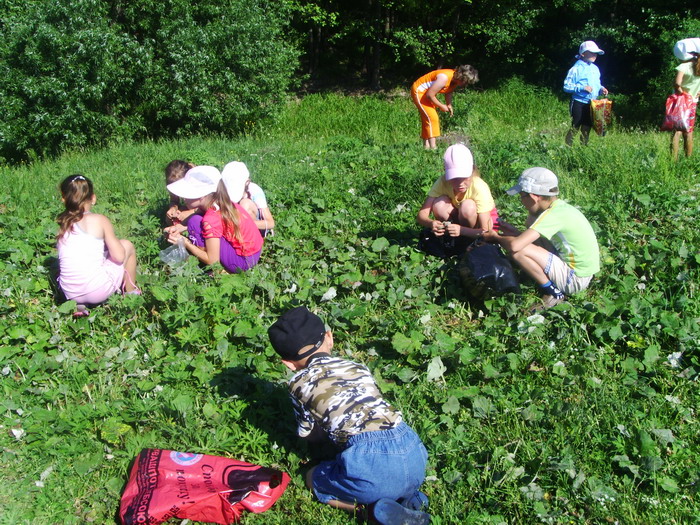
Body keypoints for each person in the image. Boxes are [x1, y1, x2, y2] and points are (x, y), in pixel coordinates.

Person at [267, 306, 430, 525]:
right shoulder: (357, 367)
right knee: (390, 477)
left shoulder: (297, 383)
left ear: (287, 364)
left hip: (370, 462)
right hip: (413, 450)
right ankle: (406, 497)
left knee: (311, 477)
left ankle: (368, 511)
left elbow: (307, 432)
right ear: (329, 337)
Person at [482, 168, 600, 310]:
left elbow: (515, 246)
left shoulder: (552, 215)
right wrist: (514, 232)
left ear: (533, 197)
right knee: (530, 224)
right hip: (582, 271)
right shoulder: (559, 208)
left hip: (575, 279)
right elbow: (527, 239)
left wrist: (496, 238)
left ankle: (554, 293)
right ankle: (541, 277)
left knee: (518, 252)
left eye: (521, 196)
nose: (521, 201)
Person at [56, 174, 139, 314]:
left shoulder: (63, 224)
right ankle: (131, 295)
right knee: (127, 245)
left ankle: (79, 306)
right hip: (97, 290)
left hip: (70, 294)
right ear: (93, 198)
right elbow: (119, 257)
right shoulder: (100, 220)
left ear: (64, 199)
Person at [163, 166, 263, 273]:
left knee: (194, 222)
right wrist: (179, 227)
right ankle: (205, 256)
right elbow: (199, 212)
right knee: (195, 220)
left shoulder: (210, 219)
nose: (184, 199)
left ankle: (216, 272)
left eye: (188, 195)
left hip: (243, 263)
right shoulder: (221, 202)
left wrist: (185, 242)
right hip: (254, 253)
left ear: (201, 195)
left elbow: (212, 260)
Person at [417, 143, 499, 242]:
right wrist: (431, 223)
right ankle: (452, 235)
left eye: (464, 178)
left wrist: (462, 230)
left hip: (481, 227)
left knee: (468, 206)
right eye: (454, 178)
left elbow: (487, 231)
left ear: (472, 171)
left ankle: (466, 240)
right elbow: (422, 215)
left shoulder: (479, 187)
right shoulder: (443, 181)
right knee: (440, 203)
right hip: (459, 222)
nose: (460, 183)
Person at [411, 65, 479, 149]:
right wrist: (441, 106)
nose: (466, 85)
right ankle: (433, 147)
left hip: (428, 93)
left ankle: (426, 146)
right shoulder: (444, 78)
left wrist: (449, 104)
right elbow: (430, 95)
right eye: (466, 82)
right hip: (419, 91)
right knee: (432, 118)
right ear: (462, 78)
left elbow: (448, 92)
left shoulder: (454, 80)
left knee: (427, 118)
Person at [563, 41, 609, 146]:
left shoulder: (595, 68)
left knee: (587, 127)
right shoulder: (576, 68)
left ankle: (583, 148)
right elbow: (566, 86)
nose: (594, 55)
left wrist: (602, 89)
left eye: (596, 53)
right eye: (591, 52)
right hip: (578, 102)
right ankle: (567, 147)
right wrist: (582, 88)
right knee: (575, 126)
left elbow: (597, 83)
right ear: (583, 53)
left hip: (592, 103)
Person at [221, 161, 275, 237]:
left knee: (245, 203)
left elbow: (270, 223)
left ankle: (248, 237)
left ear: (247, 182)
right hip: (232, 223)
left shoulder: (254, 191)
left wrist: (242, 223)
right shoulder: (221, 190)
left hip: (252, 225)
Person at [671, 38, 700, 160]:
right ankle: (688, 159)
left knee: (677, 131)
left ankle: (673, 159)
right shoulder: (698, 67)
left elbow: (677, 84)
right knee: (688, 131)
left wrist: (682, 93)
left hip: (680, 102)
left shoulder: (683, 66)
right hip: (693, 102)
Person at [164, 159, 197, 225]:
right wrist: (173, 208)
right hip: (193, 206)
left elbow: (211, 206)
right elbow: (174, 200)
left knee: (195, 220)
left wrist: (192, 212)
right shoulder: (173, 181)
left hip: (212, 210)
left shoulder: (198, 182)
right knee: (169, 220)